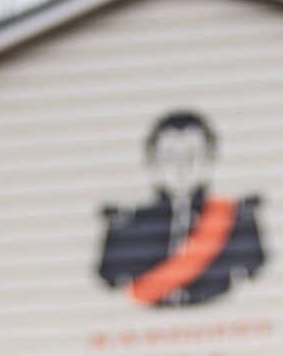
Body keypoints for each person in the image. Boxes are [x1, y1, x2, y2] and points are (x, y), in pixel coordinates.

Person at [97, 108, 265, 307]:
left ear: (210, 159)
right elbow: (110, 284)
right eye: (170, 156)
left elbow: (256, 280)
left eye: (192, 155)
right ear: (152, 161)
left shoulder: (237, 220)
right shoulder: (126, 225)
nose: (182, 166)